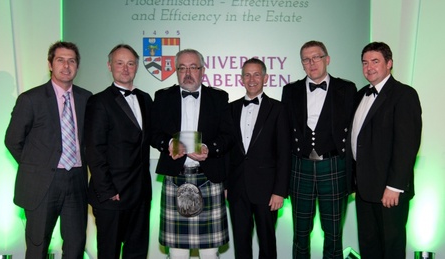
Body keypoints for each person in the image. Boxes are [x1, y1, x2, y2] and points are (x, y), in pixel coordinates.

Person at [4, 41, 92, 259]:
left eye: (71, 60)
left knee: (76, 245)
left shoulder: (87, 99)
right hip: (42, 184)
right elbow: (13, 141)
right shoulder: (31, 99)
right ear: (50, 65)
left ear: (77, 66)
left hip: (77, 182)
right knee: (38, 246)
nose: (66, 65)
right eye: (60, 60)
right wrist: (37, 167)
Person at [151, 49, 233, 259]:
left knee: (209, 251)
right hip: (175, 177)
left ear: (202, 70)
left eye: (193, 67)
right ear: (176, 71)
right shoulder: (162, 97)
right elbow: (153, 132)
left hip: (208, 177)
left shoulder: (219, 97)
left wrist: (209, 148)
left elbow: (228, 135)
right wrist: (169, 143)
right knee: (176, 251)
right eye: (182, 68)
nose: (188, 73)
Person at [281, 40, 356, 259]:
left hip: (334, 165)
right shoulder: (290, 90)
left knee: (333, 233)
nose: (311, 63)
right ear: (302, 64)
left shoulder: (347, 89)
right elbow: (284, 134)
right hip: (300, 166)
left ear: (327, 59)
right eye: (306, 59)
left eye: (316, 57)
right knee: (300, 233)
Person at [350, 42, 422, 258]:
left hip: (389, 191)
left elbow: (407, 145)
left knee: (391, 247)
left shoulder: (404, 94)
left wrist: (395, 186)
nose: (369, 67)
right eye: (365, 62)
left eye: (375, 61)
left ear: (389, 64)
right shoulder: (360, 94)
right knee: (369, 247)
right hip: (364, 189)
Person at [85, 44, 153, 258]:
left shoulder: (146, 99)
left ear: (137, 67)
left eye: (130, 63)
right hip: (112, 195)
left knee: (137, 253)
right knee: (109, 253)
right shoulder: (99, 101)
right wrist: (107, 191)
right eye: (119, 63)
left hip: (140, 194)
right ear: (109, 66)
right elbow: (94, 150)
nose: (125, 68)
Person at [226, 58, 291, 259]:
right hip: (237, 189)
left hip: (267, 191)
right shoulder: (231, 108)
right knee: (241, 244)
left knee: (267, 244)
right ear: (241, 79)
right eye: (247, 75)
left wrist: (280, 191)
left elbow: (284, 153)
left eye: (256, 74)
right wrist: (227, 185)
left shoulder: (278, 109)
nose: (251, 79)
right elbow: (228, 152)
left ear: (265, 78)